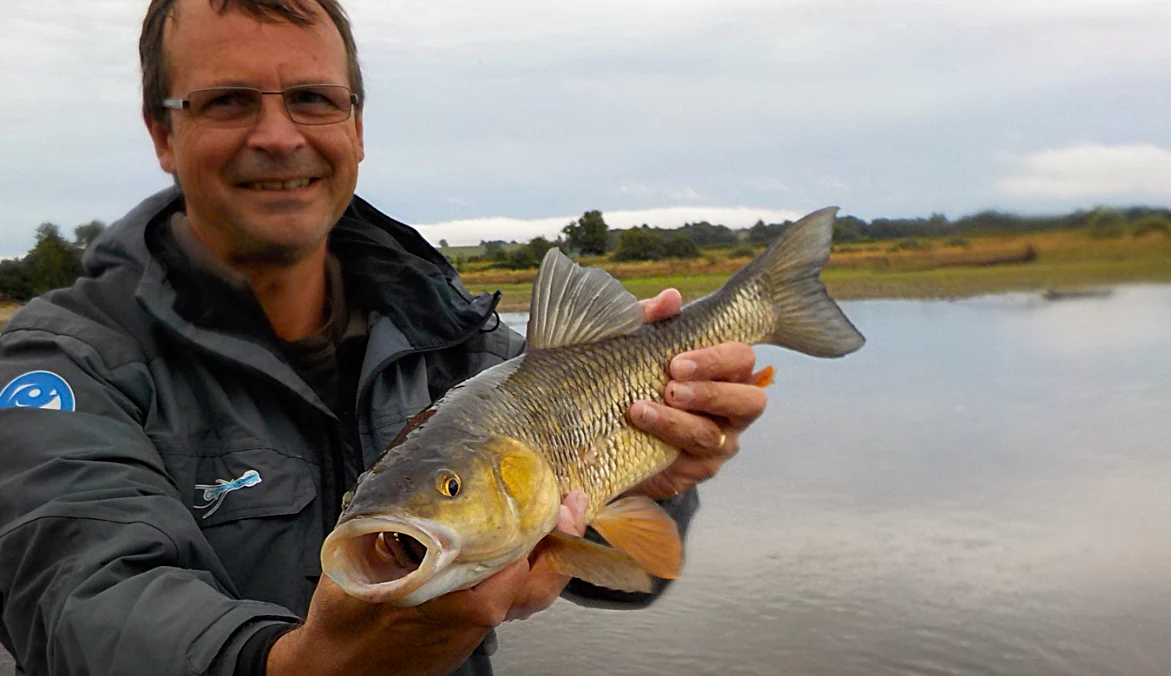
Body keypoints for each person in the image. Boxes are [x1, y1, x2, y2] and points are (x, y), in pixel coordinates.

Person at [0, 1, 769, 674]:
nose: (277, 135)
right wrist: (316, 669)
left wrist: (660, 466)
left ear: (356, 128)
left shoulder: (462, 340)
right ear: (163, 133)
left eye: (312, 99)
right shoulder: (61, 364)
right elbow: (78, 602)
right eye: (228, 101)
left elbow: (634, 573)